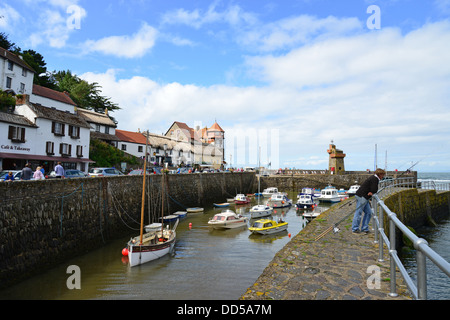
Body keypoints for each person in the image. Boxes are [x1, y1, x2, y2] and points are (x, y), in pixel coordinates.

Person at [352, 168, 386, 234]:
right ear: (380, 174)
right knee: (358, 212)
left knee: (368, 212)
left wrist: (372, 192)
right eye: (383, 175)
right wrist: (372, 192)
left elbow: (372, 189)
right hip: (362, 196)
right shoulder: (375, 179)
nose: (383, 177)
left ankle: (364, 228)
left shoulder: (374, 178)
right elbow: (374, 189)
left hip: (364, 196)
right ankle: (355, 228)